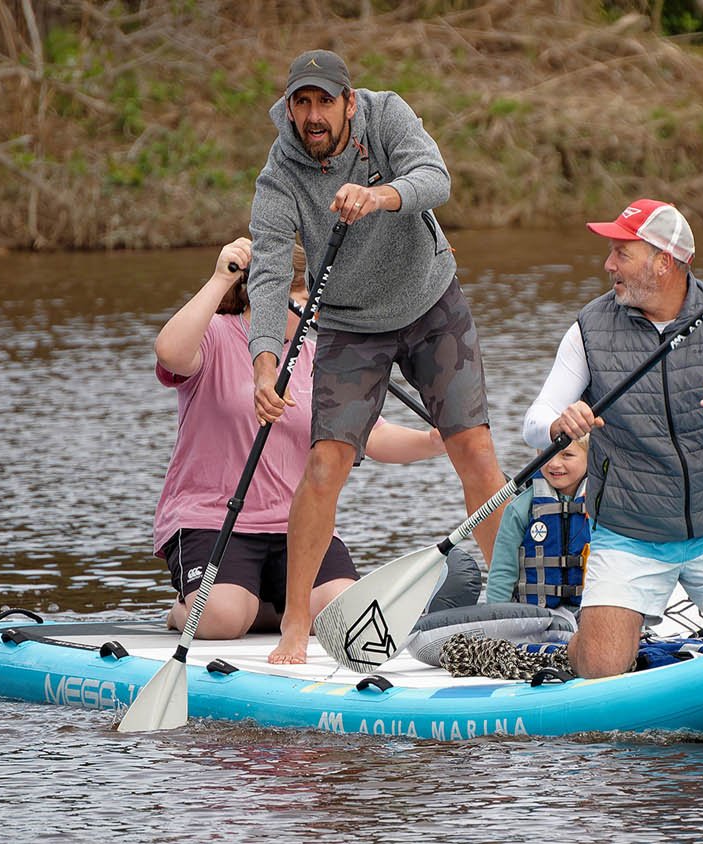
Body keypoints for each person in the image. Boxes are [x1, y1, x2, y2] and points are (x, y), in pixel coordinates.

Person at [247, 49, 505, 664]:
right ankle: (296, 626)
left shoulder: (388, 116)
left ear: (349, 102)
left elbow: (435, 178)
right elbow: (268, 270)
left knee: (473, 448)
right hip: (349, 324)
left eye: (323, 102)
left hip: (430, 300)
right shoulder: (279, 173)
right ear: (288, 107)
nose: (311, 116)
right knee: (324, 464)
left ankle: (507, 600)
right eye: (300, 103)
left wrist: (381, 195)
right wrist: (263, 360)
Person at [522, 199, 703, 678]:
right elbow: (535, 420)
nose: (608, 264)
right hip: (630, 530)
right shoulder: (589, 329)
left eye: (622, 253)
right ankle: (572, 645)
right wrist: (560, 423)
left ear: (663, 263)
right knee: (600, 671)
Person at [153, 236, 446, 641]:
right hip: (214, 519)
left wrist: (434, 441)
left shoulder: (321, 355)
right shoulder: (217, 335)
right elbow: (168, 352)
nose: (317, 308)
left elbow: (373, 437)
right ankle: (196, 611)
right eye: (306, 295)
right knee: (219, 619)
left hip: (298, 523)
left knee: (345, 612)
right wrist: (222, 278)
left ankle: (263, 604)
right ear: (266, 293)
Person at [484, 434, 591, 618]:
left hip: (590, 618)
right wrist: (496, 621)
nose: (554, 463)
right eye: (547, 454)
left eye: (567, 455)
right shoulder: (520, 508)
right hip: (534, 619)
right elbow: (502, 573)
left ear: (591, 457)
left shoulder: (604, 507)